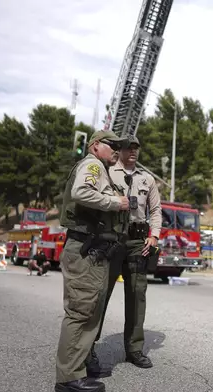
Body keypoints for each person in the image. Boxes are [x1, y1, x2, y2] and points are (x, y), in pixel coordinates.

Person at [54, 130, 129, 392]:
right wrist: (115, 202)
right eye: (112, 145)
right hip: (86, 250)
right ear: (96, 145)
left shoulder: (101, 168)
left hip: (95, 251)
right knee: (80, 312)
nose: (117, 151)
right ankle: (68, 378)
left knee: (90, 311)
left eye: (120, 147)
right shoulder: (92, 164)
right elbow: (81, 192)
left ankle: (79, 368)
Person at [95, 134, 162, 370]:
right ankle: (89, 348)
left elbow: (155, 210)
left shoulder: (148, 179)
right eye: (127, 147)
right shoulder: (107, 171)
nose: (132, 151)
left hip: (137, 241)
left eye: (136, 147)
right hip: (112, 239)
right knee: (102, 292)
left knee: (137, 295)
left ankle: (134, 349)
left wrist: (153, 236)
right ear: (119, 150)